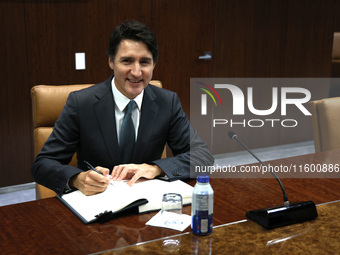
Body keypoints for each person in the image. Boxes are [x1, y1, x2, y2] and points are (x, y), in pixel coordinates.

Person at [31, 20, 214, 196]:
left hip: (147, 204)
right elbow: (43, 164)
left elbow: (203, 158)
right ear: (111, 61)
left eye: (144, 62)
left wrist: (155, 168)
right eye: (127, 61)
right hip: (96, 204)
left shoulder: (167, 102)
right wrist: (77, 179)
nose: (136, 72)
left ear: (154, 64)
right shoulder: (81, 103)